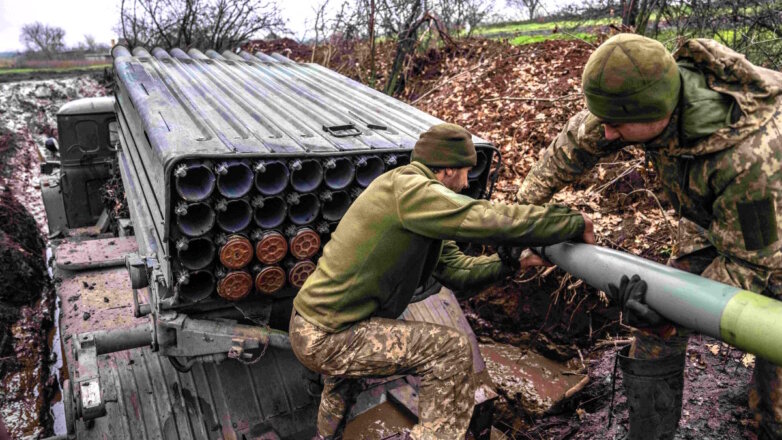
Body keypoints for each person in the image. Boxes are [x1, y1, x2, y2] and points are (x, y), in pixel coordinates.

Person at [516, 33, 782, 439]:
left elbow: (750, 262)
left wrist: (674, 316)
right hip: (710, 215)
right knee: (654, 327)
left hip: (769, 232)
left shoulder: (752, 158)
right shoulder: (640, 92)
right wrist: (520, 215)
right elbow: (574, 144)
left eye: (616, 126)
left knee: (773, 348)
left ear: (658, 114)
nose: (606, 134)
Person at [289, 123, 595, 440]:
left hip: (326, 325)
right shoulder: (412, 190)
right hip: (327, 333)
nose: (465, 184)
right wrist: (570, 221)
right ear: (448, 168)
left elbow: (457, 272)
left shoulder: (417, 204)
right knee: (451, 350)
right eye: (465, 172)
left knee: (342, 385)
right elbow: (484, 218)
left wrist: (510, 262)